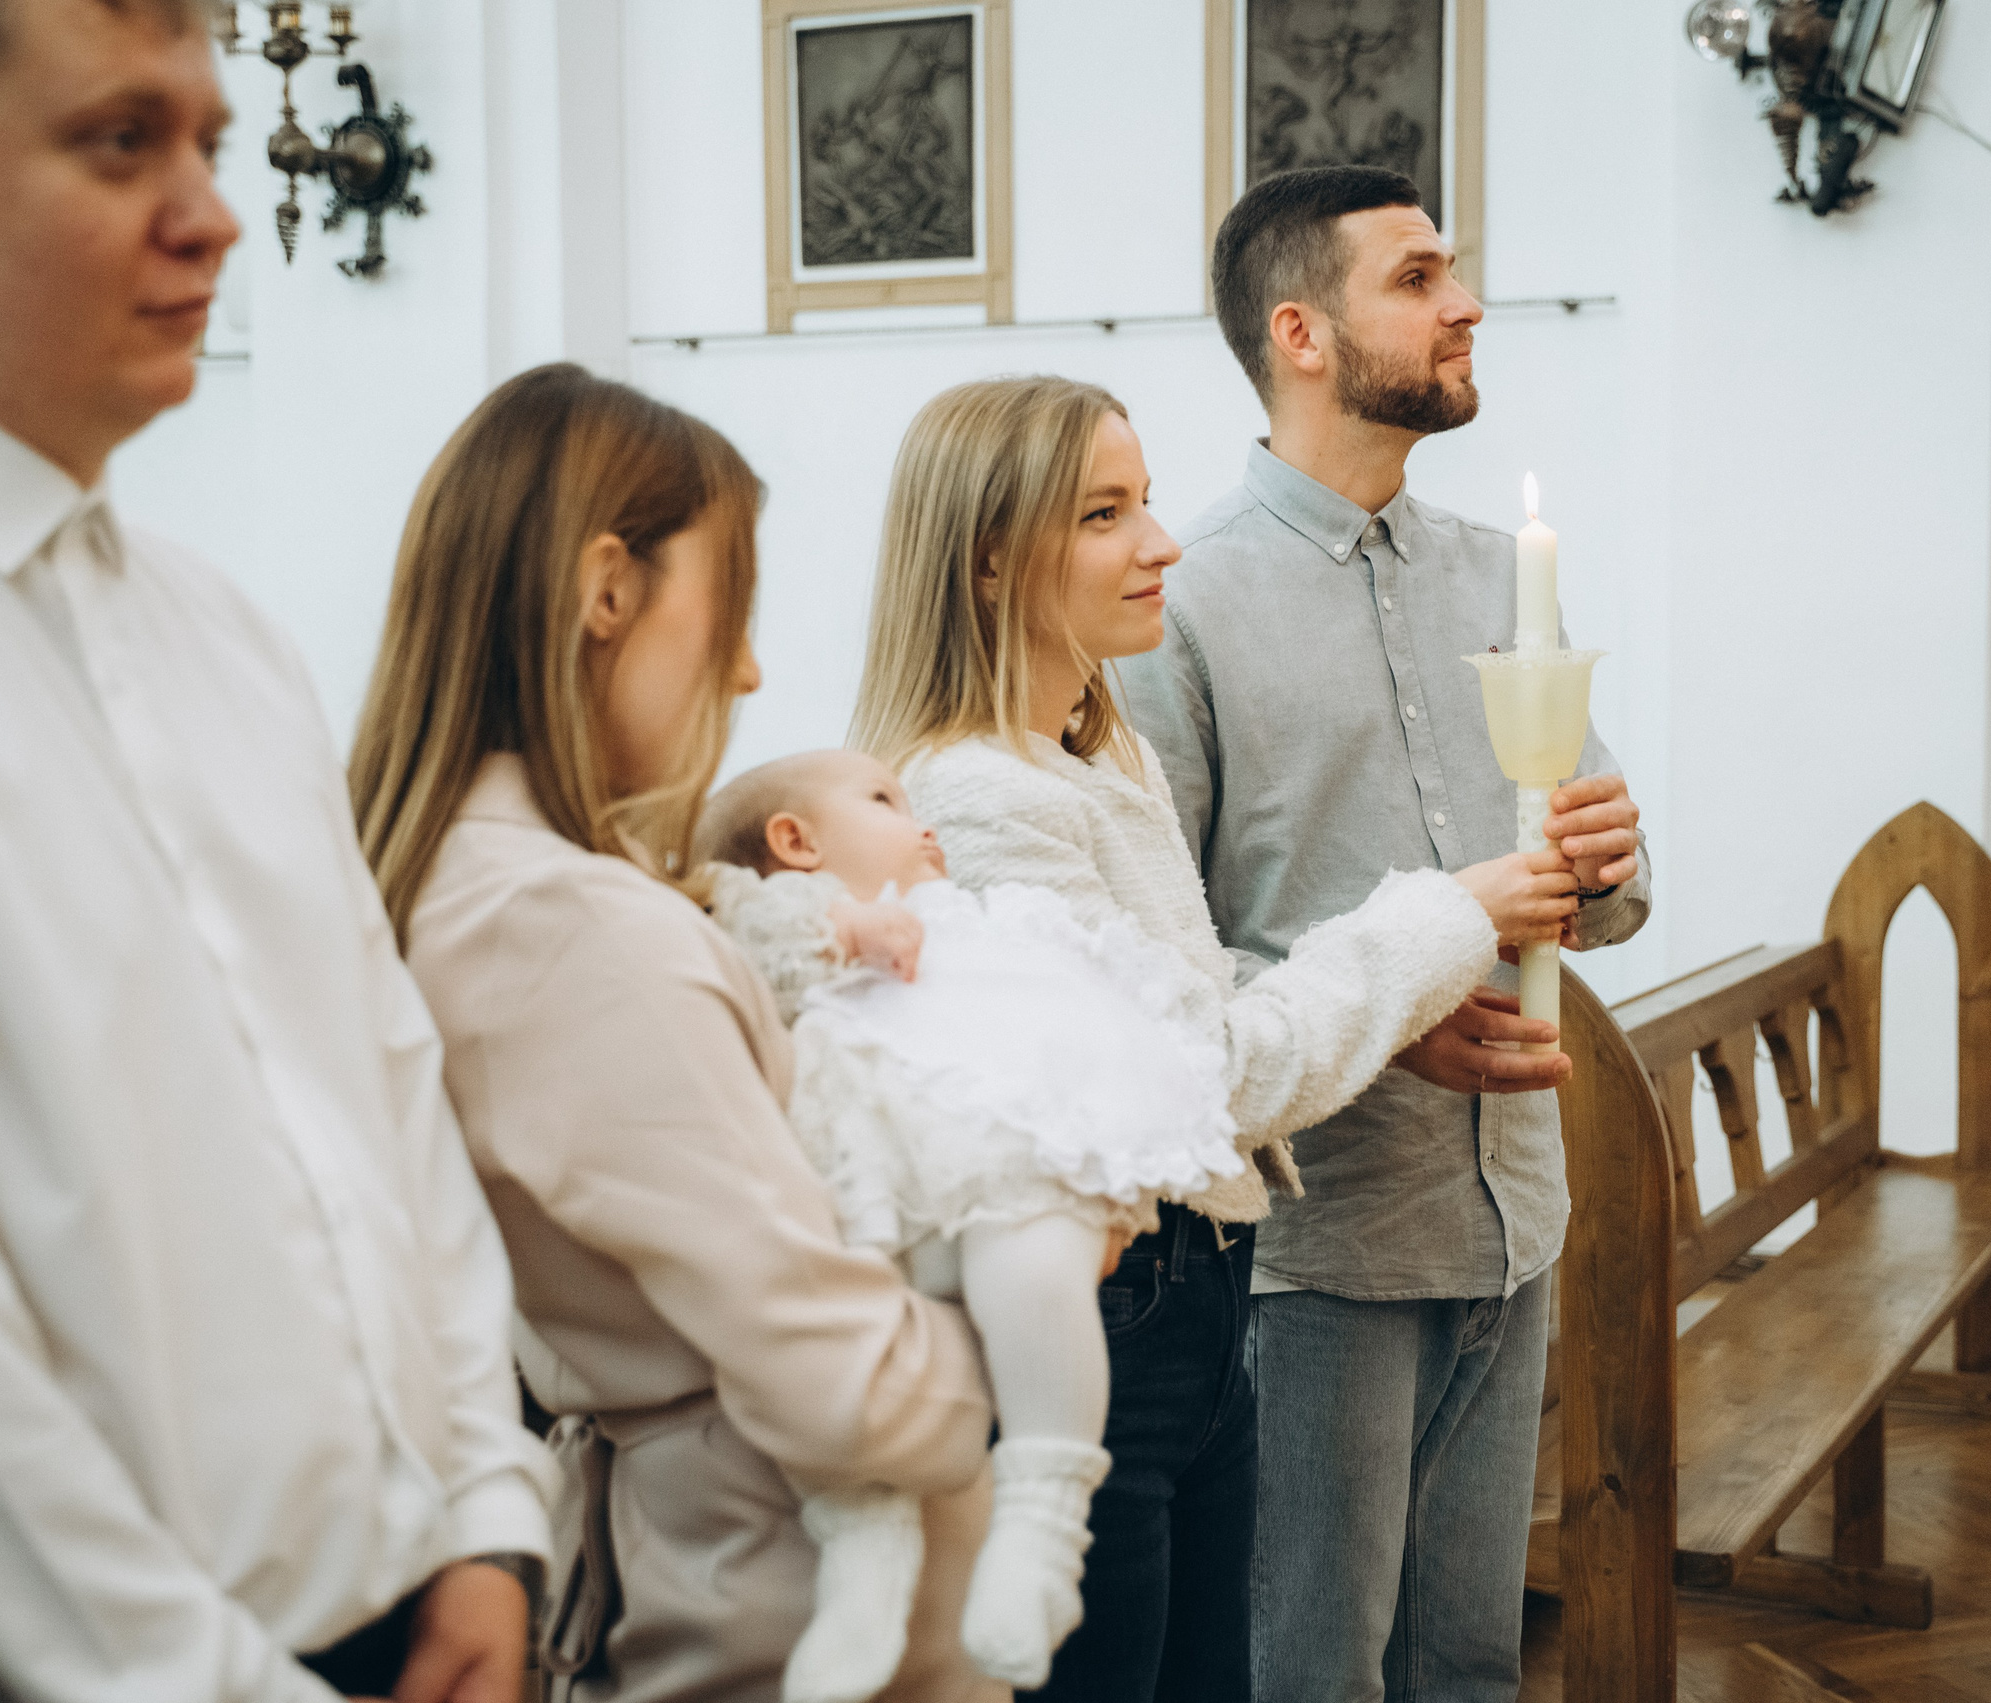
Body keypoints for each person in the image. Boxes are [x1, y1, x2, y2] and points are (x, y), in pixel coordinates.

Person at [0, 1, 555, 1698]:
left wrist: (484, 1511)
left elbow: (383, 1084)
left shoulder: (222, 630)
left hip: (411, 1612)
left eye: (213, 143)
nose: (216, 217)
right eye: (121, 143)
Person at [847, 373, 1582, 1703]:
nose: (1161, 542)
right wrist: (1446, 916)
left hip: (1193, 1293)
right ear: (992, 558)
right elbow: (1206, 1073)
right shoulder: (976, 796)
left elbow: (1195, 1025)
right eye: (1104, 515)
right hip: (1105, 1321)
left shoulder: (1091, 761)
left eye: (1143, 501)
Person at [347, 364, 999, 1703]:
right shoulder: (571, 928)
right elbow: (846, 1380)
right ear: (607, 590)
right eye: (733, 608)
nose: (749, 669)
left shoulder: (488, 885)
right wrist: (1041, 1288)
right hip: (774, 1604)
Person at [1117, 164, 1653, 1703]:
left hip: (1514, 1212)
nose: (1464, 302)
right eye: (1417, 278)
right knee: (1314, 1671)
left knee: (1472, 1660)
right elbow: (1152, 963)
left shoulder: (1496, 572)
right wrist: (1383, 1013)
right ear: (1302, 332)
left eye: (1452, 270)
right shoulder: (1181, 606)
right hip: (1321, 1247)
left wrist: (1612, 861)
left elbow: (1602, 887)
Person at [695, 748, 1242, 1696]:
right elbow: (738, 925)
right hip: (859, 1204)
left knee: (1031, 1268)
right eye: (883, 799)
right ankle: (859, 1563)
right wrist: (843, 926)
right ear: (795, 840)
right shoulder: (780, 926)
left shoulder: (978, 926)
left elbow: (1065, 1029)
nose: (922, 820)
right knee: (843, 1370)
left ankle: (1043, 1520)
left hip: (985, 1177)